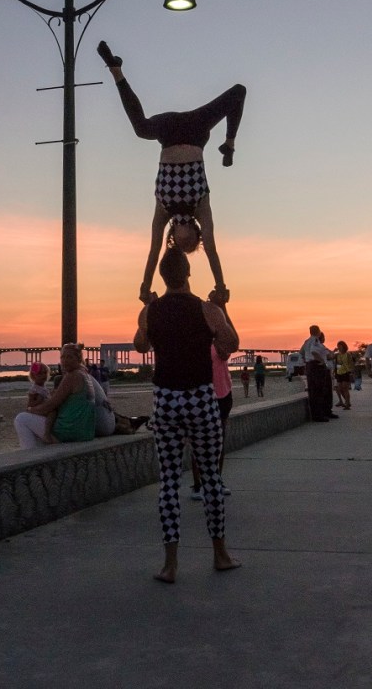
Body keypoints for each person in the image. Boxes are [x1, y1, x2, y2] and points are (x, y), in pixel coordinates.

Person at [98, 41, 246, 305]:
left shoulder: (163, 212)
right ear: (196, 234)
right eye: (191, 245)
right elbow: (211, 249)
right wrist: (221, 286)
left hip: (168, 132)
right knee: (238, 92)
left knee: (141, 129)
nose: (185, 243)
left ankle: (115, 70)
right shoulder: (202, 208)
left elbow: (153, 252)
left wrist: (144, 288)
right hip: (195, 129)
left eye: (181, 244)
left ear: (174, 238)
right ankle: (230, 144)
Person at [134, 246, 241, 584]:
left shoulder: (151, 311)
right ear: (188, 275)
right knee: (210, 477)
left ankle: (170, 563)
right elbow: (232, 343)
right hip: (200, 398)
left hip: (165, 400)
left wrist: (146, 309)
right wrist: (223, 306)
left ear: (163, 277)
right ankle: (220, 554)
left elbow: (140, 346)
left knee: (168, 481)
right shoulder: (207, 310)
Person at [13, 344, 96, 447]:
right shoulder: (85, 374)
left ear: (78, 359)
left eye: (69, 357)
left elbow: (50, 405)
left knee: (21, 419)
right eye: (62, 357)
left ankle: (29, 457)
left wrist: (30, 410)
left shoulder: (72, 376)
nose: (64, 361)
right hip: (85, 431)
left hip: (69, 431)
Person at [191, 342, 235, 501]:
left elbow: (225, 353)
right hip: (200, 395)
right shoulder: (193, 338)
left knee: (220, 440)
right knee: (198, 441)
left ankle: (217, 481)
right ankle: (198, 485)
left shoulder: (219, 339)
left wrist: (217, 333)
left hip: (223, 393)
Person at [300, 325, 336, 421]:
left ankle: (322, 413)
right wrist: (322, 361)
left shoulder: (307, 341)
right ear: (318, 331)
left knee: (315, 390)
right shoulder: (315, 341)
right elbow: (314, 352)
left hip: (311, 366)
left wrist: (306, 361)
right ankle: (318, 415)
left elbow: (301, 352)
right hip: (316, 366)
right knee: (318, 390)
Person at [334, 342, 353, 409]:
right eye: (338, 346)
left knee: (345, 388)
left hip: (346, 372)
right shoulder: (337, 355)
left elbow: (351, 363)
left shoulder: (347, 354)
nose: (339, 347)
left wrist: (351, 372)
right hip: (339, 373)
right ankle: (347, 401)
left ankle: (347, 404)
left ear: (344, 346)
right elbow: (337, 364)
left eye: (340, 346)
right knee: (340, 388)